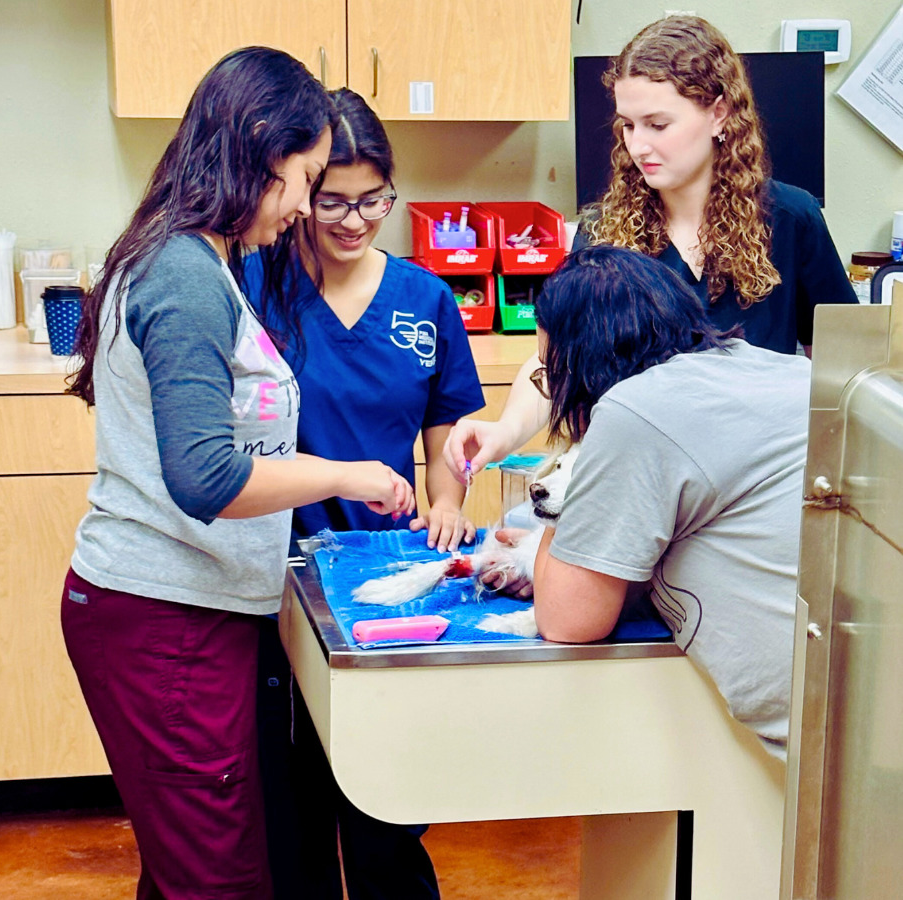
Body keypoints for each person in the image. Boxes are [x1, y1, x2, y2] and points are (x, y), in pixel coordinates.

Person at [61, 49, 414, 900]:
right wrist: (349, 474)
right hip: (163, 623)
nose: (301, 205)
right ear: (257, 156)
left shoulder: (197, 258)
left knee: (193, 866)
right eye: (300, 179)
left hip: (184, 615)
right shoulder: (184, 274)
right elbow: (206, 477)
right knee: (219, 880)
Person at [244, 88, 484, 900]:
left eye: (373, 200)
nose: (352, 220)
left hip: (382, 576)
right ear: (302, 194)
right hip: (271, 573)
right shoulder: (253, 284)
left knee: (385, 803)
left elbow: (448, 431)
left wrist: (448, 502)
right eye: (333, 200)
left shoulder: (424, 299)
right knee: (292, 799)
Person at [443, 14, 854, 480]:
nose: (638, 146)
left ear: (719, 113)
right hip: (641, 478)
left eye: (658, 125)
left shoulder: (791, 218)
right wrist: (505, 431)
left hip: (755, 482)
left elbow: (839, 369)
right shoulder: (605, 233)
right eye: (629, 126)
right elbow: (556, 362)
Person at [531, 245, 810, 759]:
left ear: (578, 362)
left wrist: (566, 487)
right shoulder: (774, 367)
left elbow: (568, 620)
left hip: (814, 737)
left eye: (550, 372)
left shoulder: (633, 410)